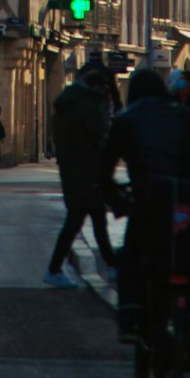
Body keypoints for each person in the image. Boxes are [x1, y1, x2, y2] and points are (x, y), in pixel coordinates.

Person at [102, 67, 190, 341]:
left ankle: (131, 316)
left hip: (147, 202)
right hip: (183, 203)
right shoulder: (186, 116)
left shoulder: (126, 119)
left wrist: (118, 201)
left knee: (130, 257)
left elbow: (103, 169)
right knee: (188, 260)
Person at [44, 69, 119, 288]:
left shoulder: (65, 106)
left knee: (93, 219)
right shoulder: (87, 108)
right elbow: (101, 138)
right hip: (88, 171)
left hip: (72, 170)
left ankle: (113, 265)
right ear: (97, 88)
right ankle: (54, 269)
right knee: (80, 221)